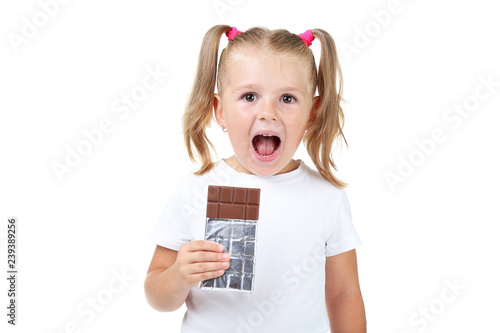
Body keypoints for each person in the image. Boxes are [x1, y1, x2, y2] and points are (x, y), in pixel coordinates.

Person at [144, 25, 366, 332]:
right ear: (220, 110)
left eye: (287, 99)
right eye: (250, 96)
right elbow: (156, 296)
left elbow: (345, 294)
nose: (268, 113)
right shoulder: (195, 191)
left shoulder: (326, 197)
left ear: (312, 112)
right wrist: (179, 276)